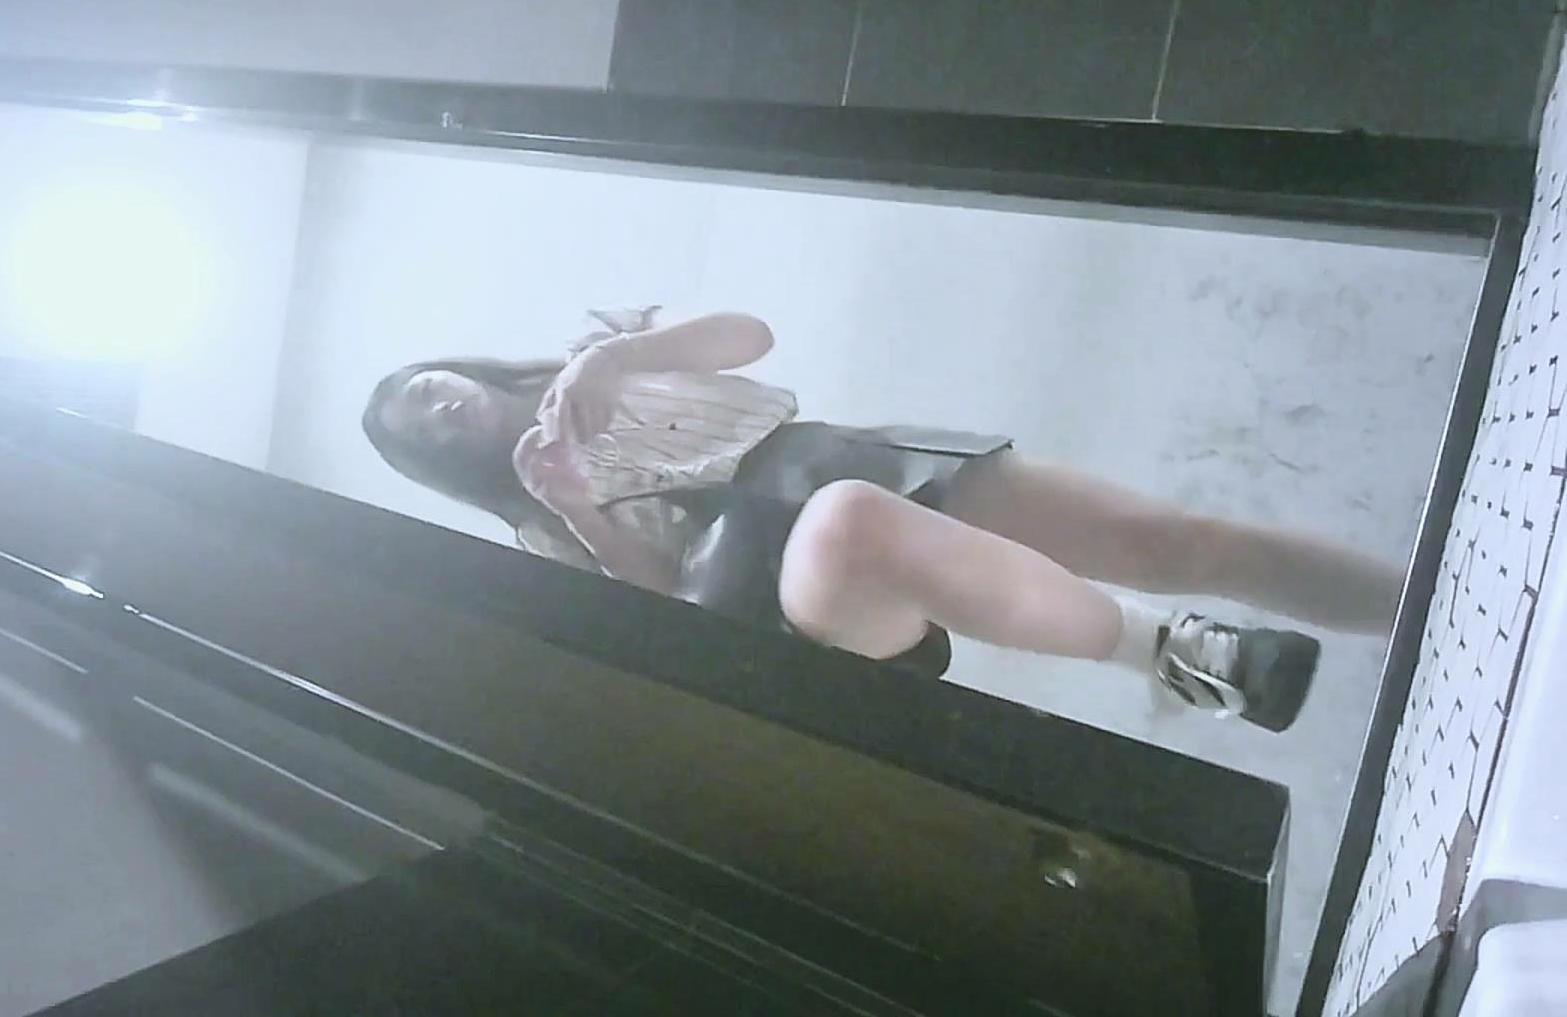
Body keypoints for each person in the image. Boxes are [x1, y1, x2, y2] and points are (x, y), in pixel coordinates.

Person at [361, 308, 1405, 732]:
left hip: (840, 456)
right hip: (773, 599)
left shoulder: (595, 357)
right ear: (439, 464)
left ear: (458, 366)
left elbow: (750, 338)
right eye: (421, 426)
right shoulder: (539, 533)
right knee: (847, 524)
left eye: (426, 385)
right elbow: (664, 618)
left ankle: (1428, 603)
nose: (438, 406)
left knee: (1174, 539)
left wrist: (618, 356)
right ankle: (1173, 652)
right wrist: (579, 509)